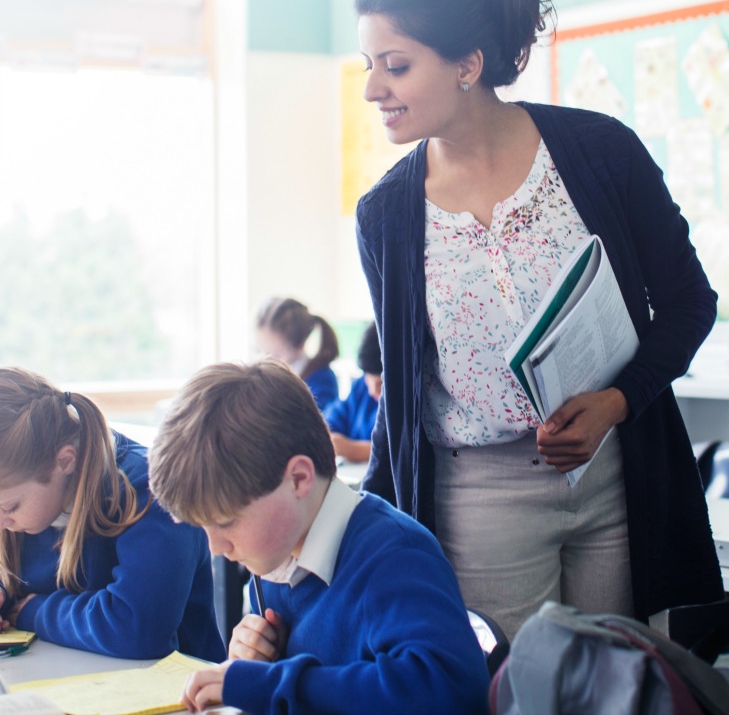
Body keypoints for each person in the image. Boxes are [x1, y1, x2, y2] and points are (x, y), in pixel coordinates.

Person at [354, 0, 723, 641]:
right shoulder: (385, 215)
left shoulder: (601, 153)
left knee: (618, 682)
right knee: (511, 692)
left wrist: (617, 402)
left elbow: (688, 302)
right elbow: (401, 395)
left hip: (616, 472)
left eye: (396, 66)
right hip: (479, 494)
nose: (374, 89)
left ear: (468, 65)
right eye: (368, 66)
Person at [148, 358, 490, 715]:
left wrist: (272, 685)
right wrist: (256, 660)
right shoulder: (276, 558)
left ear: (298, 479)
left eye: (226, 521)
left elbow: (449, 689)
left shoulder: (396, 556)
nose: (216, 547)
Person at [0, 366, 226, 661]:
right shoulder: (22, 493)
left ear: (64, 461)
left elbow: (137, 627)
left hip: (177, 696)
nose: (3, 523)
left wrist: (35, 612)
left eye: (10, 508)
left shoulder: (149, 490)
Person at [255, 297, 340, 410]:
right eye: (259, 351)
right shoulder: (269, 377)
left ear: (296, 346)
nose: (265, 359)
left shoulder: (322, 380)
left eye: (272, 354)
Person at [323, 321, 382, 463]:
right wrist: (325, 432)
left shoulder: (404, 403)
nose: (373, 389)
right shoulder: (360, 387)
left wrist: (352, 449)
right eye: (368, 377)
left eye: (382, 383)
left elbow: (399, 448)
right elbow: (336, 414)